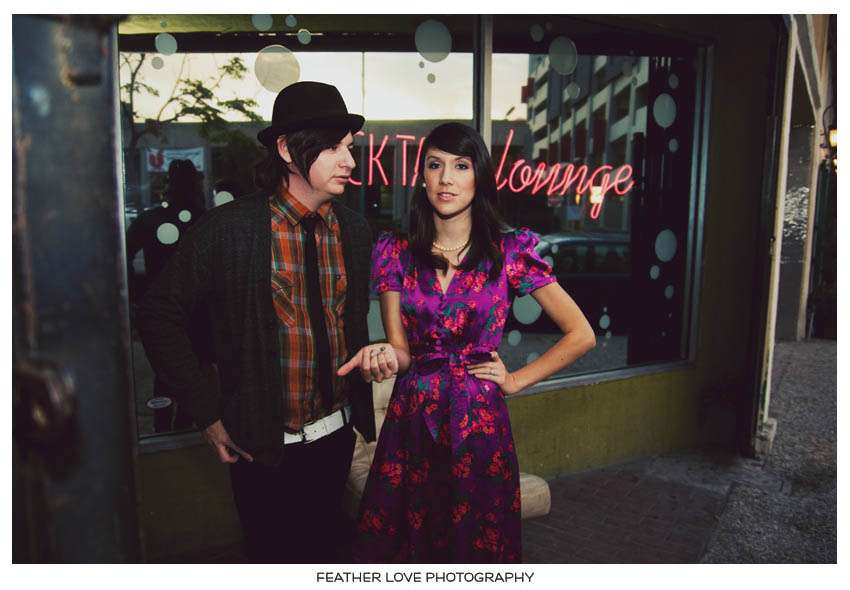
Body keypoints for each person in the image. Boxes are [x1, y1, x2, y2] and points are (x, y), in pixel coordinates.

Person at [136, 81, 375, 563]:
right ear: (287, 150)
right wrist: (207, 410)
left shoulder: (353, 230)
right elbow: (158, 314)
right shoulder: (230, 230)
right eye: (333, 147)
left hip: (336, 438)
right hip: (262, 450)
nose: (349, 161)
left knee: (326, 557)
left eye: (349, 147)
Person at [339, 122, 596, 563]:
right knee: (406, 548)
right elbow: (401, 352)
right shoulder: (395, 251)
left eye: (461, 166)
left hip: (479, 425)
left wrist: (515, 380)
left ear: (480, 176)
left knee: (475, 549)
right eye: (435, 165)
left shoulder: (509, 251)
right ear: (422, 177)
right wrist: (384, 354)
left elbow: (582, 334)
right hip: (412, 422)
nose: (446, 178)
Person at [126, 158, 210, 431]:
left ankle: (168, 427)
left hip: (176, 312)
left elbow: (124, 255)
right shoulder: (205, 221)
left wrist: (139, 294)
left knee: (168, 374)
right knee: (190, 372)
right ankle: (180, 426)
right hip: (194, 313)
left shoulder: (153, 220)